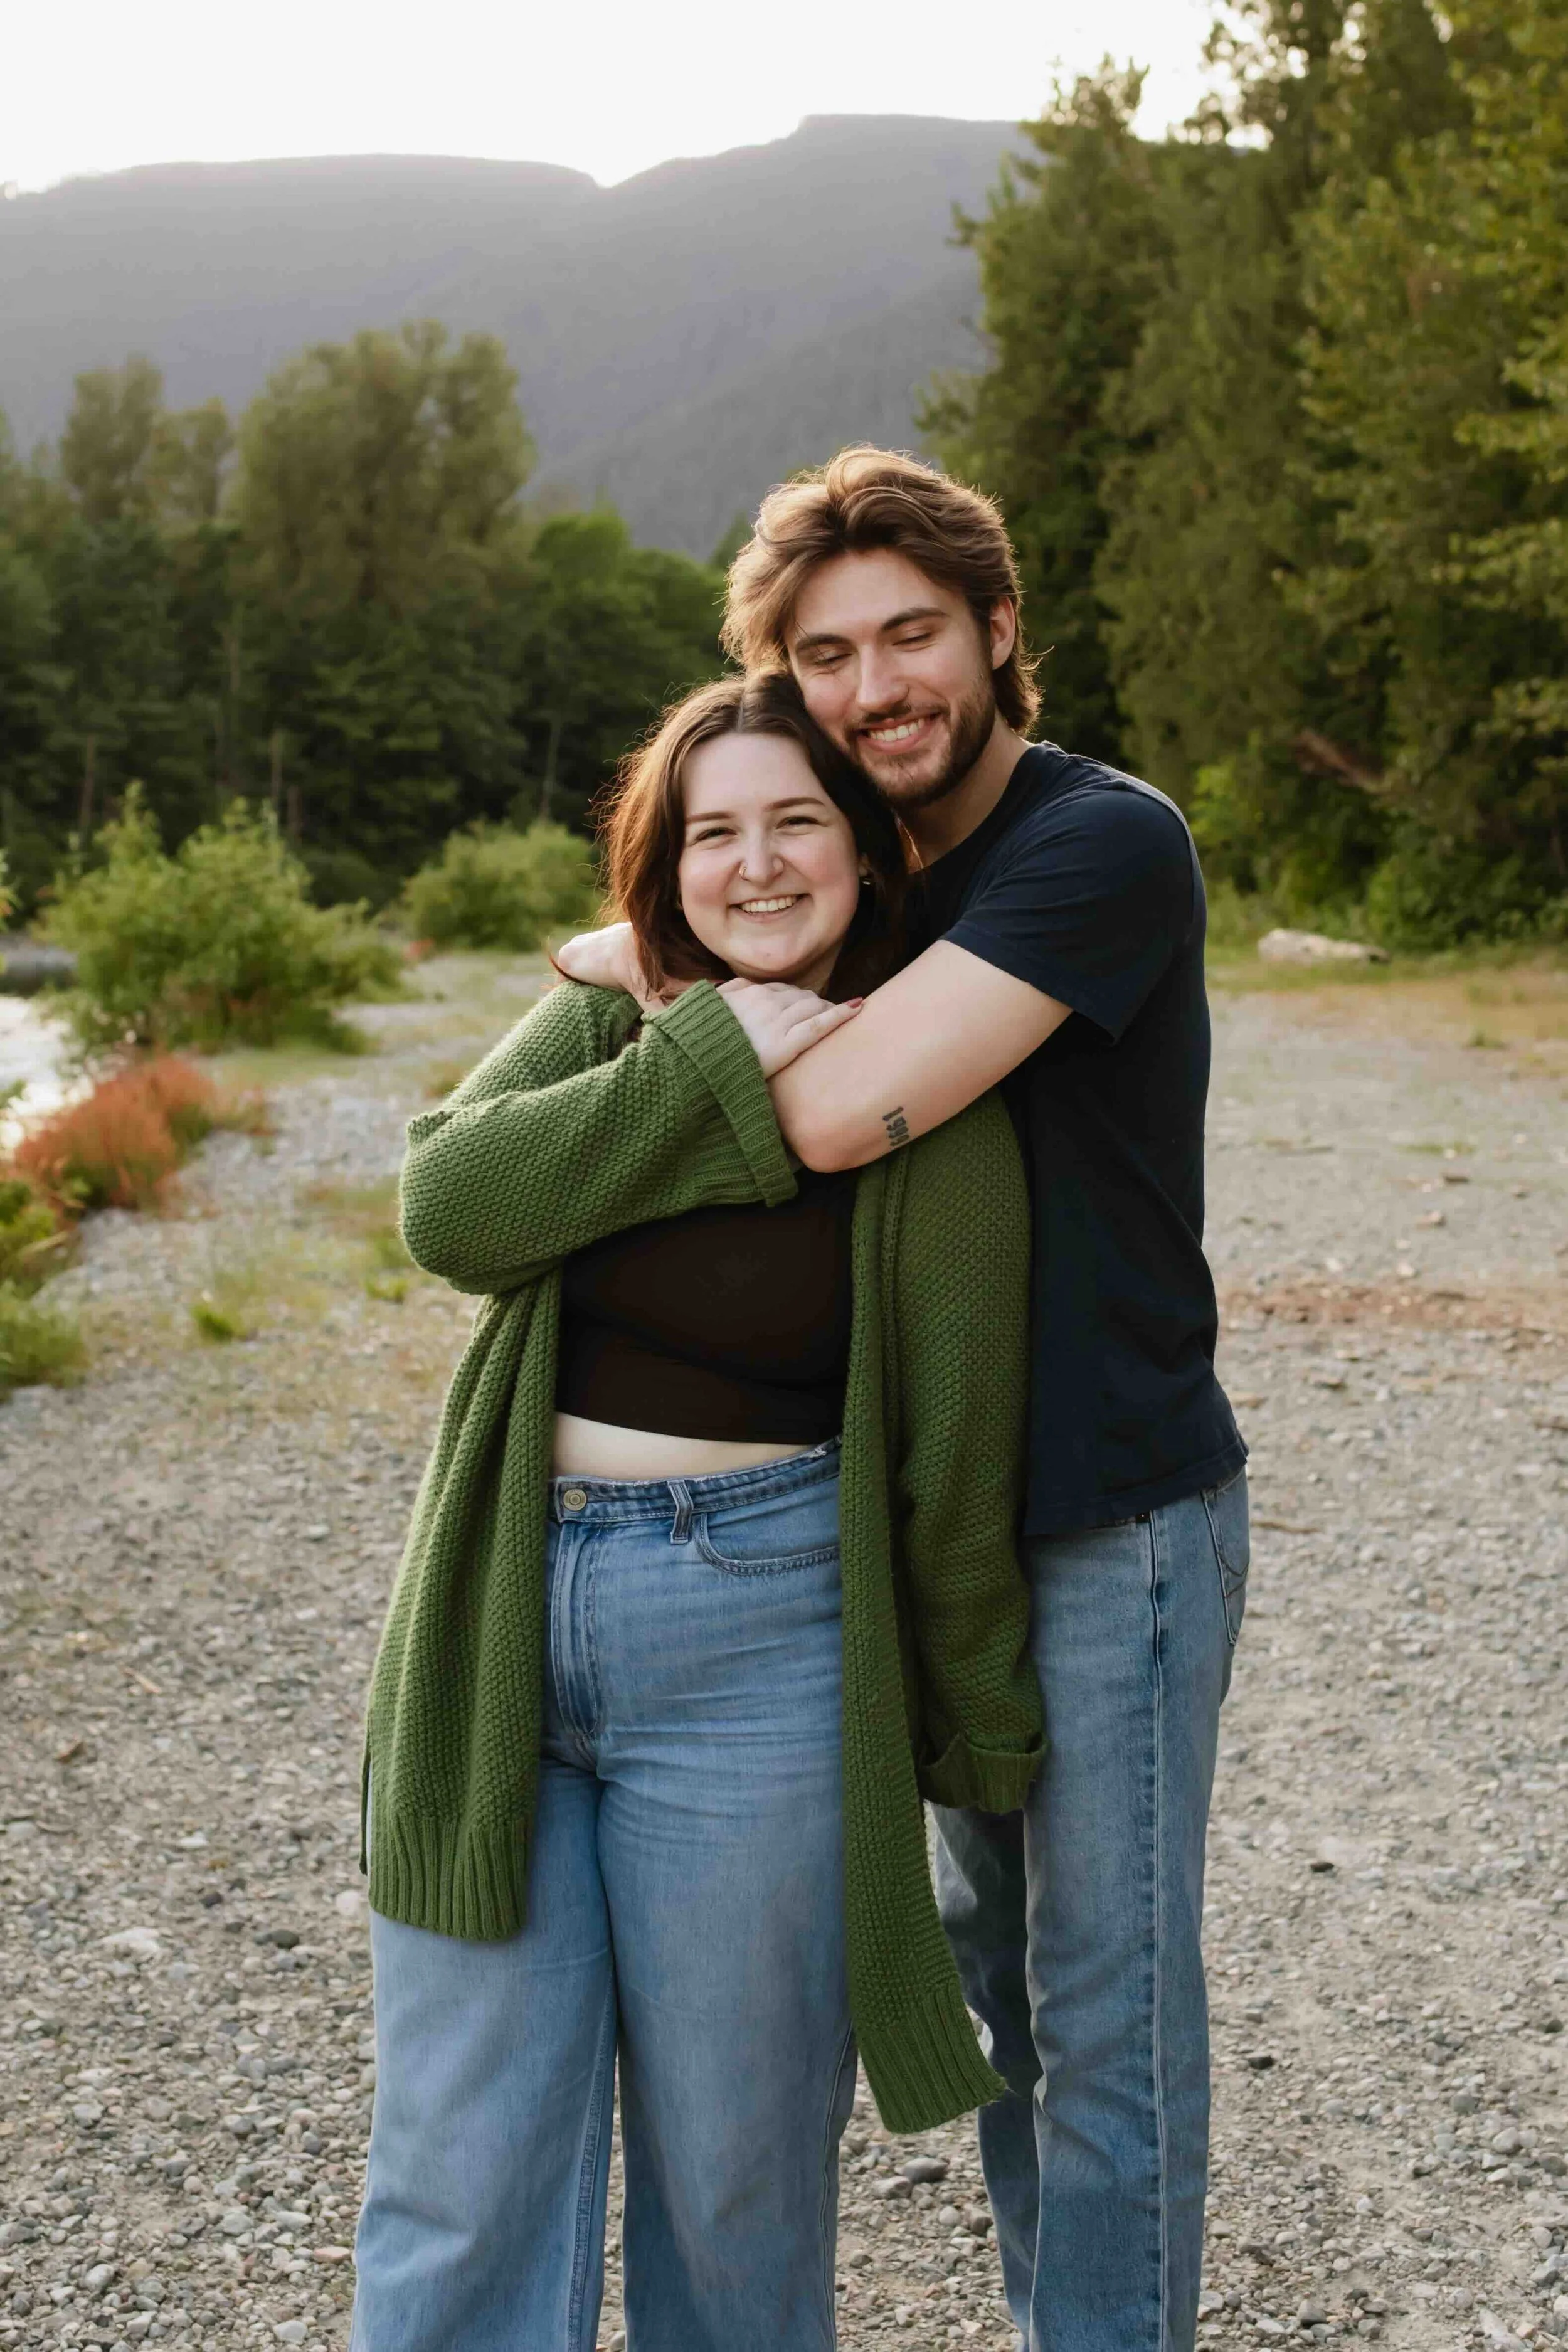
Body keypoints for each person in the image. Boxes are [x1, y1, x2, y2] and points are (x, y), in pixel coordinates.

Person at [556, 446, 1250, 2352]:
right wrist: (688, 946)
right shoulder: (853, 880)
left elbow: (827, 1108)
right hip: (917, 1520)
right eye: (829, 653)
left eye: (911, 634)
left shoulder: (1097, 846)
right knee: (1007, 1996)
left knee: (1102, 2007)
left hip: (1108, 1516)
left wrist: (639, 971)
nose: (877, 687)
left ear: (997, 628)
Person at [350, 670, 1043, 2352]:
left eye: (796, 819)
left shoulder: (921, 1092)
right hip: (503, 1626)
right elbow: (447, 1204)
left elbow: (950, 1463)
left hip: (767, 1639)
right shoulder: (614, 1018)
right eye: (712, 830)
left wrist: (981, 1736)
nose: (755, 863)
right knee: (459, 2162)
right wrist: (706, 1053)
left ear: (865, 855)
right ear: (665, 868)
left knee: (734, 2182)